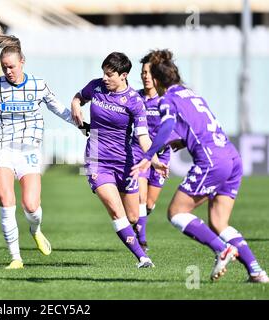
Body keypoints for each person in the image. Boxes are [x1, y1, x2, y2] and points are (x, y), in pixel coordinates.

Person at [0, 16, 84, 269]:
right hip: (2, 150)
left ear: (22, 62)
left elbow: (61, 110)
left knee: (31, 206)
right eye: (4, 67)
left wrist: (80, 124)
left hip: (29, 150)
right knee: (6, 202)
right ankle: (15, 258)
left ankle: (36, 230)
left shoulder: (38, 86)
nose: (8, 71)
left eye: (11, 66)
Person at [131, 49, 268, 283]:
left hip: (211, 161)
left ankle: (221, 250)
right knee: (218, 222)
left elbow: (166, 126)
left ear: (156, 79)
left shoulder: (167, 100)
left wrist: (148, 155)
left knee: (176, 213)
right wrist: (184, 140)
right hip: (231, 157)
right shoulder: (190, 93)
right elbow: (203, 123)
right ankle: (256, 271)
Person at [71, 52, 166, 268]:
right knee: (116, 211)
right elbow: (80, 96)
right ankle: (142, 257)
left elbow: (143, 136)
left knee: (133, 217)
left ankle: (133, 237)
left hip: (125, 162)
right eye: (103, 73)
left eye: (110, 75)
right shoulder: (96, 87)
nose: (104, 78)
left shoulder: (134, 101)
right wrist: (76, 104)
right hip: (97, 160)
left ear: (123, 75)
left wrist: (155, 160)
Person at [131, 53, 172, 252]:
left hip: (161, 155)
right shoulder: (135, 97)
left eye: (148, 73)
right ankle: (142, 240)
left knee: (149, 203)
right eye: (142, 73)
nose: (145, 76)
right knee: (141, 196)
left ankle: (140, 220)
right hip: (139, 153)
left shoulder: (164, 100)